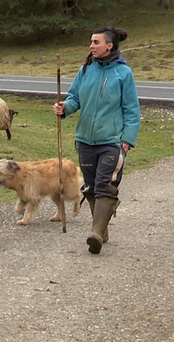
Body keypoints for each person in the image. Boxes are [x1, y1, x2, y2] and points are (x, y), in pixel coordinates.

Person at [53, 26, 140, 254]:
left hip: (112, 141)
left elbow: (131, 110)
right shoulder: (86, 70)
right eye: (91, 42)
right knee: (91, 187)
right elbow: (74, 98)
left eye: (96, 42)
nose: (91, 46)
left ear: (109, 46)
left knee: (106, 185)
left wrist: (127, 140)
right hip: (85, 141)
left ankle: (95, 232)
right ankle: (101, 228)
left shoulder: (124, 74)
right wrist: (64, 108)